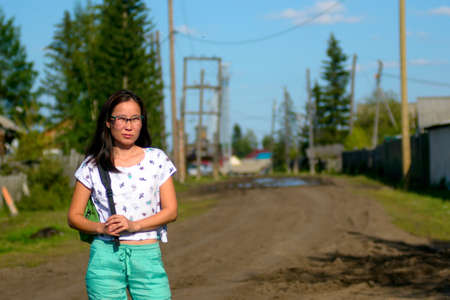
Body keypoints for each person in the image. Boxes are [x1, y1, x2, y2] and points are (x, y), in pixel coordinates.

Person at [68, 89, 177, 300]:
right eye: (122, 119)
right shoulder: (92, 165)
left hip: (146, 257)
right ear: (108, 122)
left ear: (142, 122)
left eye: (135, 119)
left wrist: (134, 225)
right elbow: (73, 217)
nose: (129, 125)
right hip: (105, 258)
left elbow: (171, 211)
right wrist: (101, 227)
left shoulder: (157, 159)